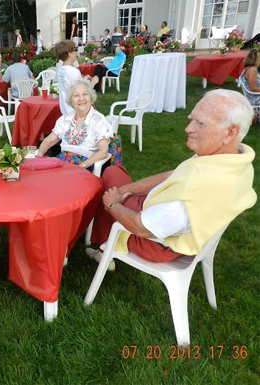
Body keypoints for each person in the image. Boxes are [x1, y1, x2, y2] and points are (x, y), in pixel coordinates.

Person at [88, 89, 256, 271]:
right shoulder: (235, 160)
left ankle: (104, 249)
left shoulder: (198, 183)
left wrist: (112, 203)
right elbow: (174, 175)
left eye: (200, 123)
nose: (188, 128)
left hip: (158, 242)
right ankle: (105, 244)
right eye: (191, 119)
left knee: (107, 185)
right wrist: (124, 191)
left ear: (231, 132)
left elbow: (141, 228)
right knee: (114, 177)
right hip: (174, 226)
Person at [37, 78, 113, 172]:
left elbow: (103, 152)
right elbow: (48, 141)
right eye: (76, 95)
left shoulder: (99, 121)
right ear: (71, 101)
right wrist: (39, 157)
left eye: (85, 94)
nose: (81, 99)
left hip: (86, 165)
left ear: (91, 97)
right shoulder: (65, 120)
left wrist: (81, 166)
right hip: (62, 162)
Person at [54, 40, 96, 115]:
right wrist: (93, 83)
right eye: (75, 50)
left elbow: (70, 84)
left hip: (64, 109)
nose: (77, 53)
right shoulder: (73, 71)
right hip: (75, 110)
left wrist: (84, 80)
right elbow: (81, 91)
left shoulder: (61, 69)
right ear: (69, 54)